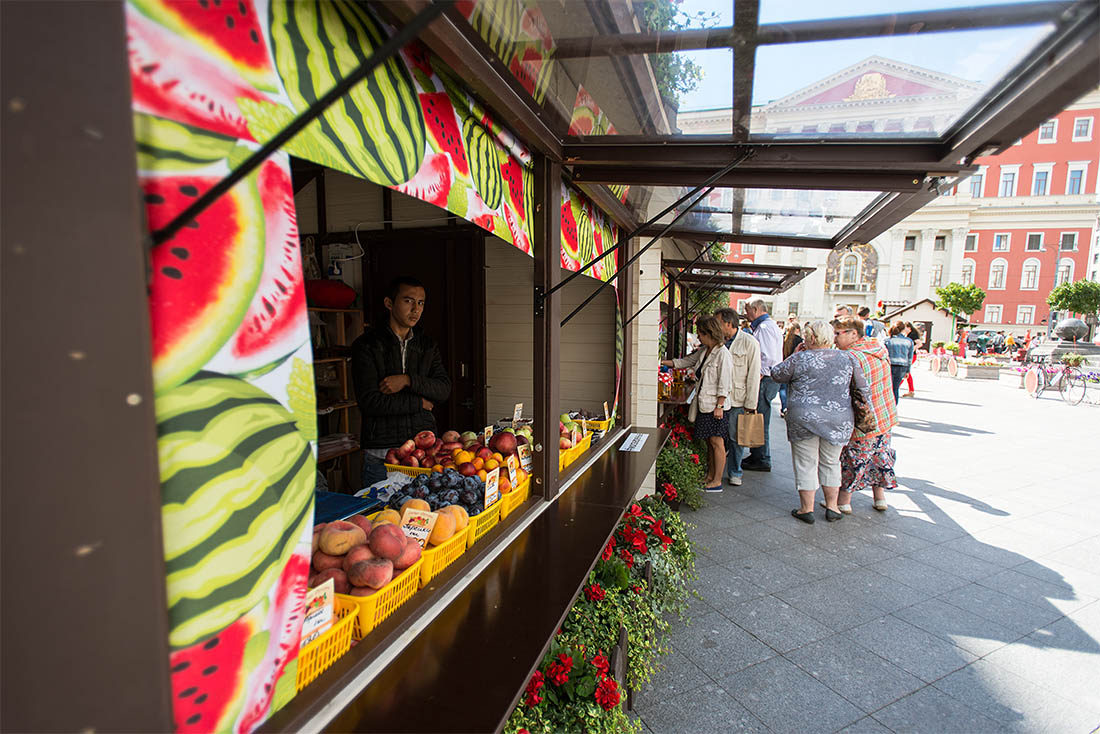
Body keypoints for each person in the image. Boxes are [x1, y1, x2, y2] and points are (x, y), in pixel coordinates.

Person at [352, 276, 451, 487]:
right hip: (382, 455)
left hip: (422, 455)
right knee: (382, 517)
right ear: (389, 303)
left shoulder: (427, 345)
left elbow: (443, 390)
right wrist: (419, 403)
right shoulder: (367, 346)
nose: (416, 309)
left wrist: (407, 380)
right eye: (408, 301)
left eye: (421, 303)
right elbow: (370, 402)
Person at [770, 320, 870, 524]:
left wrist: (796, 353)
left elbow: (777, 374)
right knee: (831, 462)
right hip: (838, 419)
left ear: (811, 338)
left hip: (804, 418)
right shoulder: (847, 358)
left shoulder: (800, 358)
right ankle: (832, 507)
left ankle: (806, 509)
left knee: (806, 462)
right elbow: (864, 388)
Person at [661, 316, 733, 492]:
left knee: (717, 443)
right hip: (705, 403)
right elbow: (686, 362)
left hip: (716, 407)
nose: (698, 337)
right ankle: (710, 476)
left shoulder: (723, 354)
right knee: (710, 442)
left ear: (709, 333)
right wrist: (663, 363)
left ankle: (716, 481)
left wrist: (720, 406)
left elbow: (725, 383)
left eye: (700, 333)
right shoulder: (705, 350)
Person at [835, 318, 897, 513]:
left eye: (838, 334)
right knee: (880, 454)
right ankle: (879, 498)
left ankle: (843, 501)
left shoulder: (851, 357)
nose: (835, 338)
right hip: (884, 414)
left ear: (854, 334)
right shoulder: (878, 349)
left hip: (863, 419)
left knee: (855, 457)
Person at [715, 308, 761, 487]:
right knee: (718, 436)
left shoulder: (749, 342)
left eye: (718, 322)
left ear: (728, 323)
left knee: (736, 437)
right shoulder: (719, 342)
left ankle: (735, 471)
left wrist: (751, 404)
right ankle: (718, 469)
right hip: (719, 397)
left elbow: (753, 375)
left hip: (737, 398)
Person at [741, 299, 784, 473]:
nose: (745, 314)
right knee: (758, 417)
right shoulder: (765, 326)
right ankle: (757, 453)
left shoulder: (765, 328)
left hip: (765, 379)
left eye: (747, 310)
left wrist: (757, 376)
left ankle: (762, 458)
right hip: (767, 379)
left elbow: (767, 357)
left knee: (760, 418)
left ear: (756, 309)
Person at [884, 322, 915, 405]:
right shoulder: (909, 341)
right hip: (902, 366)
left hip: (889, 365)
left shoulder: (888, 340)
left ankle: (887, 407)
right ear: (903, 329)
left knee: (887, 388)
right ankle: (894, 407)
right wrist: (908, 371)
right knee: (895, 388)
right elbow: (910, 357)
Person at [780, 322, 803, 416]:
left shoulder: (783, 339)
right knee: (792, 389)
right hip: (794, 367)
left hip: (784, 365)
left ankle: (783, 407)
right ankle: (789, 408)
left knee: (783, 389)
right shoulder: (799, 340)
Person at [903, 322, 921, 397]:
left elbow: (919, 343)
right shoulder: (908, 335)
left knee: (905, 371)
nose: (904, 330)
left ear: (908, 327)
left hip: (912, 355)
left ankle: (896, 388)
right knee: (906, 372)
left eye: (905, 328)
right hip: (909, 355)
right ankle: (911, 390)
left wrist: (912, 349)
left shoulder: (913, 334)